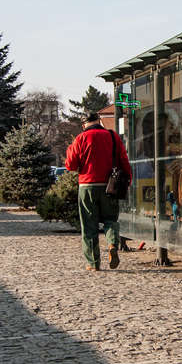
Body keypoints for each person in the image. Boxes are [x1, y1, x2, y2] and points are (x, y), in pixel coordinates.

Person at [65, 112, 131, 271]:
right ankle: (112, 244)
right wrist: (128, 179)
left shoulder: (80, 139)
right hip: (110, 184)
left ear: (84, 125)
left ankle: (93, 263)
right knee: (110, 219)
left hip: (87, 186)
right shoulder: (112, 136)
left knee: (89, 225)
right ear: (99, 121)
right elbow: (124, 160)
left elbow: (71, 165)